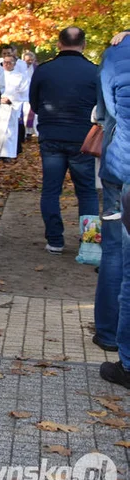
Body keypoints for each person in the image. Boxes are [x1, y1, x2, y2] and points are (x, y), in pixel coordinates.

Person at [28, 26, 99, 254]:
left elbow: (34, 103)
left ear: (58, 43)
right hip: (83, 139)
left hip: (51, 136)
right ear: (84, 44)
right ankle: (89, 241)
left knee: (50, 190)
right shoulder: (94, 72)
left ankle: (55, 240)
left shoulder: (44, 70)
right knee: (87, 192)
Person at [97, 34, 130, 388]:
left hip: (123, 167)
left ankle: (110, 336)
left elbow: (107, 112)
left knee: (120, 257)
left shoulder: (118, 52)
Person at [0, 50, 28, 160]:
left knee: (9, 131)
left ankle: (7, 153)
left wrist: (10, 100)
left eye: (9, 62)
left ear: (14, 64)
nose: (6, 64)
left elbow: (23, 92)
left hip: (11, 106)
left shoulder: (20, 76)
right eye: (5, 62)